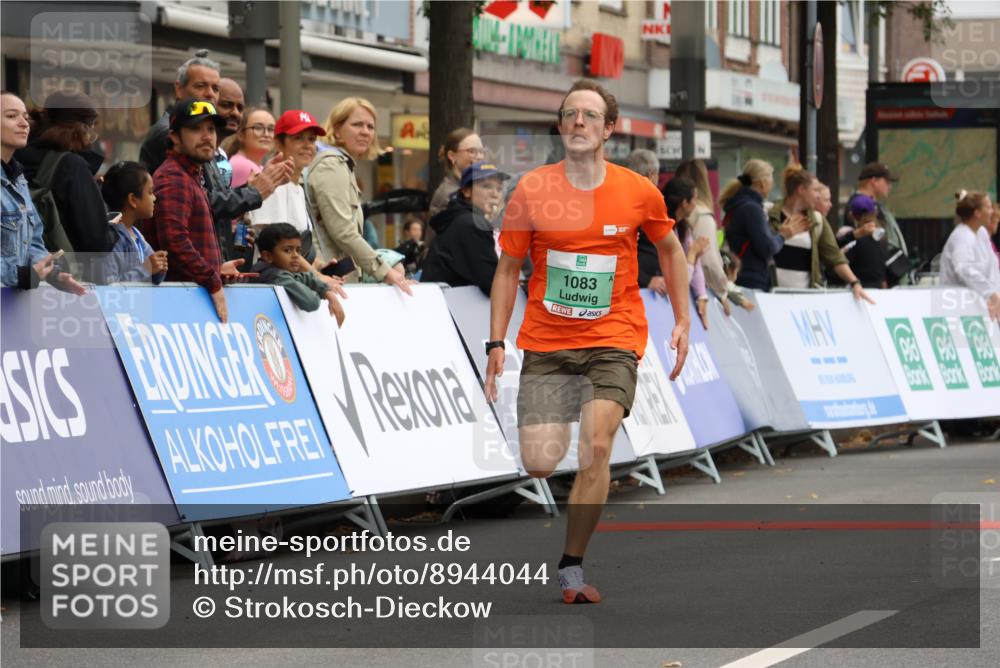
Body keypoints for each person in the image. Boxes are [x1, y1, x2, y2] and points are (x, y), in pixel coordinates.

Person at [484, 79, 691, 604]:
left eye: (590, 116)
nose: (579, 122)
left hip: (613, 335)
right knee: (540, 461)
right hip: (549, 341)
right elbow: (508, 269)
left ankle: (572, 567)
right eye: (570, 114)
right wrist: (496, 342)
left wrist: (683, 319)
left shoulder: (638, 190)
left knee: (596, 447)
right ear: (560, 125)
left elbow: (671, 250)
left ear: (608, 129)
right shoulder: (531, 189)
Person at [139, 52, 292, 261]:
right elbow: (194, 205)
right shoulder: (168, 137)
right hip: (187, 273)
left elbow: (205, 200)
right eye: (201, 86)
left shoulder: (205, 149)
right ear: (179, 88)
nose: (210, 93)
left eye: (215, 88)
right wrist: (252, 193)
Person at [141, 99, 249, 323]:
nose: (207, 136)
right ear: (174, 137)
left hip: (189, 301)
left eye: (211, 128)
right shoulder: (174, 177)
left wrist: (216, 268)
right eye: (195, 128)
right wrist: (212, 279)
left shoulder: (188, 175)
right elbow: (174, 242)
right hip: (178, 308)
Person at [305, 97, 411, 294]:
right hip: (329, 282)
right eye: (357, 124)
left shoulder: (342, 164)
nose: (365, 131)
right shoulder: (332, 164)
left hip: (336, 280)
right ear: (336, 130)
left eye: (370, 127)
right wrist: (385, 271)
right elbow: (343, 231)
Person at [16, 90, 117, 275]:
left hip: (20, 272)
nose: (92, 138)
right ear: (81, 129)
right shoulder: (72, 166)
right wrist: (112, 228)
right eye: (92, 129)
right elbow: (96, 243)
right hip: (64, 278)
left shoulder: (16, 157)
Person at [1, 90, 84, 294]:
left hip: (12, 308)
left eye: (25, 117)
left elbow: (33, 240)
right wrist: (21, 275)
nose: (24, 123)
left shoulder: (18, 178)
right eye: (11, 116)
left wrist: (53, 273)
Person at [770, 165, 873, 302]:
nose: (819, 195)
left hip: (804, 298)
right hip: (770, 297)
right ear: (801, 190)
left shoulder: (818, 220)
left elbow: (834, 256)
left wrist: (854, 282)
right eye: (816, 190)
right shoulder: (768, 214)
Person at [421, 162, 508, 295]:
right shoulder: (472, 223)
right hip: (450, 309)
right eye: (486, 186)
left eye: (499, 189)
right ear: (467, 191)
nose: (495, 194)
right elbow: (493, 285)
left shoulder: (459, 218)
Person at [720, 159, 808, 291]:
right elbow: (767, 247)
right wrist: (783, 235)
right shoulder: (752, 209)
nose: (772, 185)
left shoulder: (737, 205)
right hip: (752, 279)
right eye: (771, 180)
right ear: (763, 183)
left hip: (740, 275)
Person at [251, 223, 345, 325]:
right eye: (287, 250)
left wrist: (327, 292)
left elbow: (305, 277)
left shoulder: (278, 271)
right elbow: (311, 302)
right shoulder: (275, 276)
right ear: (268, 256)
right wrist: (319, 291)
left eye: (298, 250)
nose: (296, 255)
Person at [94, 161, 168, 285]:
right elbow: (109, 286)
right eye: (150, 192)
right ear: (133, 200)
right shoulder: (111, 239)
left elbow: (152, 273)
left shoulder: (136, 234)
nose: (154, 198)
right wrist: (146, 269)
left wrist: (159, 266)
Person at [674, 158, 729, 309]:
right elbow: (709, 262)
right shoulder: (703, 215)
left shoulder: (673, 212)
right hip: (698, 296)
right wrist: (724, 291)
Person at [940, 190, 1000, 321]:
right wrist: (991, 293)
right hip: (958, 308)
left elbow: (992, 268)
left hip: (982, 307)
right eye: (988, 207)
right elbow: (964, 268)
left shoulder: (982, 233)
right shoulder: (961, 236)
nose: (992, 211)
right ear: (977, 213)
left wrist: (995, 293)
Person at [844, 162, 909, 282]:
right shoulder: (860, 205)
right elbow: (869, 244)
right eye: (886, 182)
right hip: (876, 279)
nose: (889, 187)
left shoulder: (873, 204)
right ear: (874, 181)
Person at [429, 128, 485, 218]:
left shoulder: (470, 187)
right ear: (452, 156)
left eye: (481, 152)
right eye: (472, 151)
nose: (479, 157)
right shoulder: (448, 195)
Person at [835, 194, 888, 289]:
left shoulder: (853, 240)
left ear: (851, 215)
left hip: (858, 291)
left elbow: (838, 266)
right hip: (879, 291)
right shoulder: (882, 237)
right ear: (875, 212)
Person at [224, 106, 274, 188]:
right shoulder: (243, 166)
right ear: (241, 134)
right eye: (258, 128)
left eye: (271, 129)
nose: (266, 134)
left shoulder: (258, 166)